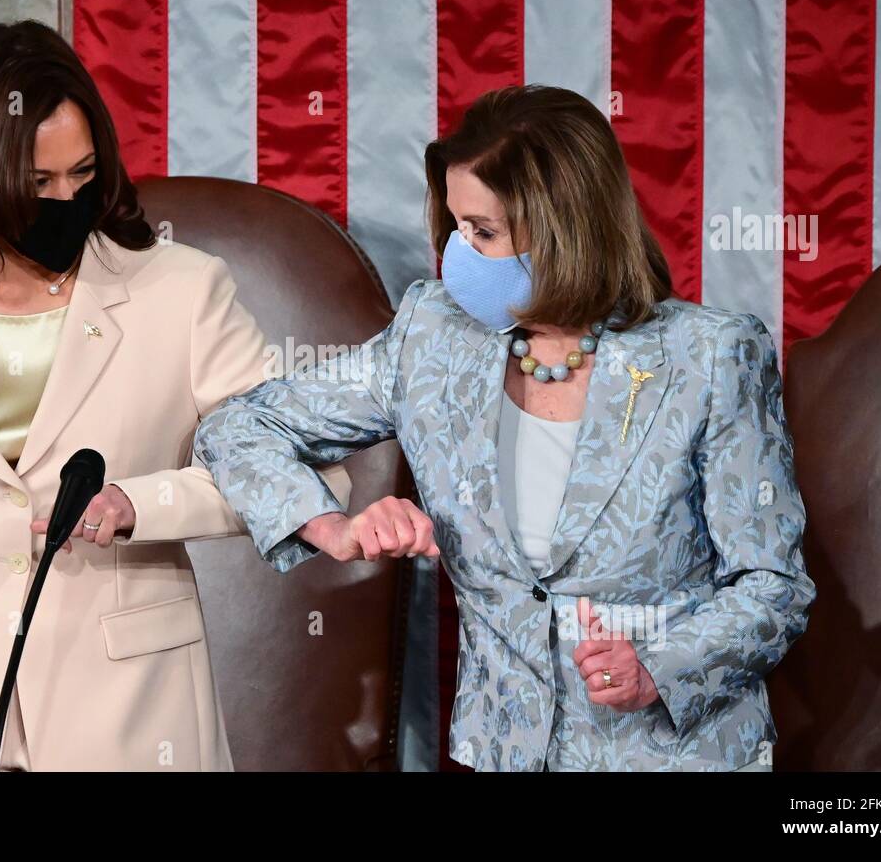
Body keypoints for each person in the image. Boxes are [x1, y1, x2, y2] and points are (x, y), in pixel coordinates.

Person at [0, 20, 347, 771]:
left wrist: (142, 503)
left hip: (128, 717)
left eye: (82, 175)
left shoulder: (182, 291)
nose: (66, 201)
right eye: (39, 185)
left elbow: (310, 476)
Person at [194, 84, 815, 771]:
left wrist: (660, 666)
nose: (455, 253)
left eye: (481, 232)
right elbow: (240, 425)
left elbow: (773, 585)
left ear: (563, 228)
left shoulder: (711, 356)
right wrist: (330, 524)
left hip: (676, 754)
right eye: (455, 225)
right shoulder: (433, 338)